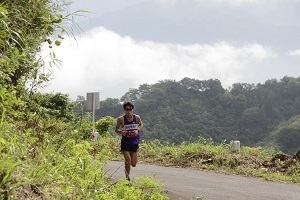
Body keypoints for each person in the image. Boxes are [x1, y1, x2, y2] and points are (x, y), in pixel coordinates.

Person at [115, 101, 143, 182]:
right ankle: (127, 179)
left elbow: (141, 125)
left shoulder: (137, 117)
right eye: (127, 109)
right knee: (128, 161)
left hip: (134, 142)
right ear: (124, 110)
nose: (128, 111)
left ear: (132, 110)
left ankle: (127, 168)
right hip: (125, 143)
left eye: (130, 109)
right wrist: (121, 132)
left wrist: (137, 130)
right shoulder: (121, 119)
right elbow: (116, 129)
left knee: (133, 164)